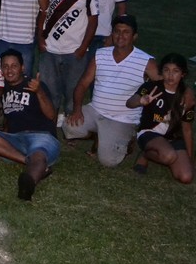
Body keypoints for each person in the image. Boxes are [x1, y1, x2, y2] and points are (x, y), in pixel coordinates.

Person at [62, 16, 159, 167]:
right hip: (96, 110)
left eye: (126, 32)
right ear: (112, 34)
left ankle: (128, 139)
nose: (120, 36)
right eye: (117, 31)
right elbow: (83, 84)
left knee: (108, 161)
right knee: (68, 127)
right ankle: (100, 135)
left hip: (123, 119)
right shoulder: (100, 54)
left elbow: (163, 84)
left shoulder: (146, 61)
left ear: (134, 36)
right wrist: (77, 109)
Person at [0, 50, 59, 201]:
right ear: (1, 70)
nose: (9, 70)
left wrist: (39, 91)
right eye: (5, 66)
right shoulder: (4, 89)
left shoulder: (34, 85)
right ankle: (29, 162)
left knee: (38, 154)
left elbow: (51, 115)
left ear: (22, 68)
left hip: (41, 136)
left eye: (14, 66)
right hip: (16, 139)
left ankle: (28, 184)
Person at [39, 0, 98, 122]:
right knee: (49, 91)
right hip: (50, 49)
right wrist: (40, 38)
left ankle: (71, 126)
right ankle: (49, 124)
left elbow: (93, 19)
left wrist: (83, 47)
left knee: (73, 92)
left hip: (74, 50)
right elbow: (42, 12)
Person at [127, 53, 193, 183]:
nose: (170, 75)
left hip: (173, 137)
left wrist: (191, 160)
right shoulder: (151, 87)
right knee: (168, 156)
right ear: (161, 71)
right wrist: (141, 100)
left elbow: (187, 129)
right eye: (166, 70)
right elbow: (130, 103)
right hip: (149, 132)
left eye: (176, 71)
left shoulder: (187, 96)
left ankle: (163, 153)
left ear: (183, 74)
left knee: (186, 177)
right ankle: (146, 155)